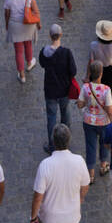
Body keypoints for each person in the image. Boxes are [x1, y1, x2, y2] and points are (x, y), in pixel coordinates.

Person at [39, 23, 77, 153]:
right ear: (60, 35)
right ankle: (65, 143)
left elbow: (42, 64)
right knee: (66, 116)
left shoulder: (44, 52)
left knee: (51, 118)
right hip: (64, 90)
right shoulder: (66, 53)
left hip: (50, 91)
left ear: (50, 36)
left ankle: (52, 145)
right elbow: (73, 71)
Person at [77, 60, 112, 182]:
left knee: (90, 146)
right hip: (103, 123)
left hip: (88, 122)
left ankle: (91, 174)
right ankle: (103, 166)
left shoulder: (85, 87)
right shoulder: (106, 90)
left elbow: (80, 105)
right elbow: (110, 110)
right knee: (104, 144)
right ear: (101, 74)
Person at [3, 0, 40, 83]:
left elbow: (7, 14)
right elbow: (36, 11)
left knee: (18, 51)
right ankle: (29, 63)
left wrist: (7, 24)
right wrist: (38, 23)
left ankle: (22, 75)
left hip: (15, 26)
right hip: (28, 24)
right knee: (28, 44)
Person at [90, 19, 112, 96]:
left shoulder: (93, 45)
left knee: (96, 91)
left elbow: (91, 59)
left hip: (97, 69)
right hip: (109, 70)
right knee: (108, 93)